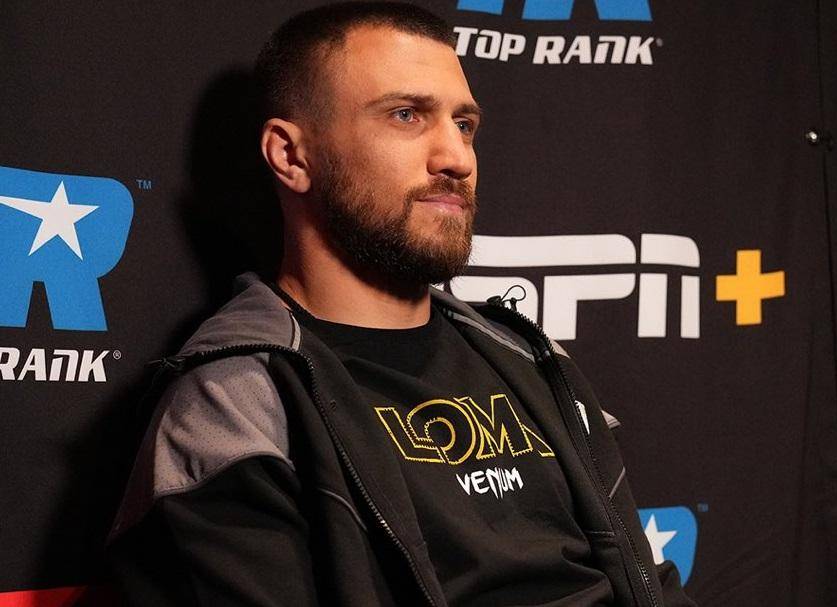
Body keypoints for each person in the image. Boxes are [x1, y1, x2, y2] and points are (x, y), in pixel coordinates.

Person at [108, 3, 694, 606]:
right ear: (291, 155)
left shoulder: (530, 359)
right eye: (406, 115)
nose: (457, 157)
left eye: (464, 124)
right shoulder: (236, 408)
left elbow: (645, 583)